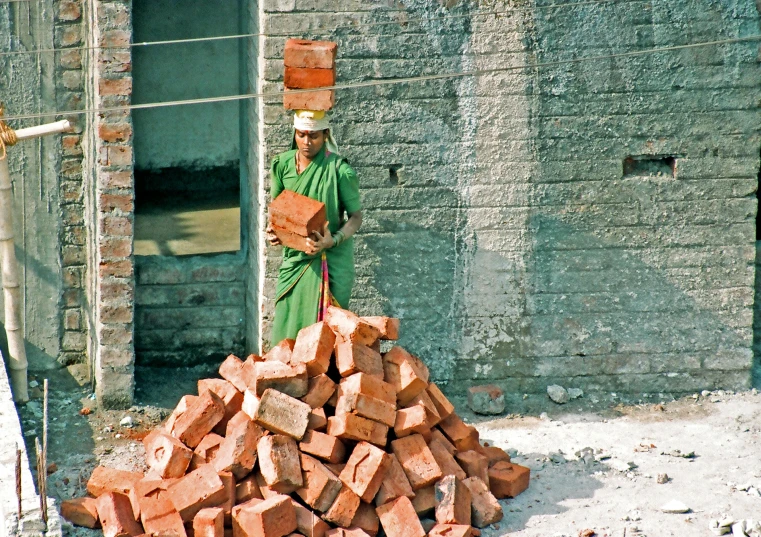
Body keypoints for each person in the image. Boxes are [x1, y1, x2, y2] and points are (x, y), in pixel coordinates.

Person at [266, 109, 362, 346]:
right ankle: (286, 377)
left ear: (326, 134)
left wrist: (333, 240)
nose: (306, 142)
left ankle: (325, 381)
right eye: (301, 135)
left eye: (314, 136)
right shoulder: (282, 165)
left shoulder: (340, 170)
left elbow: (356, 217)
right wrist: (275, 232)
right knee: (287, 326)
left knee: (326, 336)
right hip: (295, 260)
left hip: (329, 260)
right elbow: (278, 210)